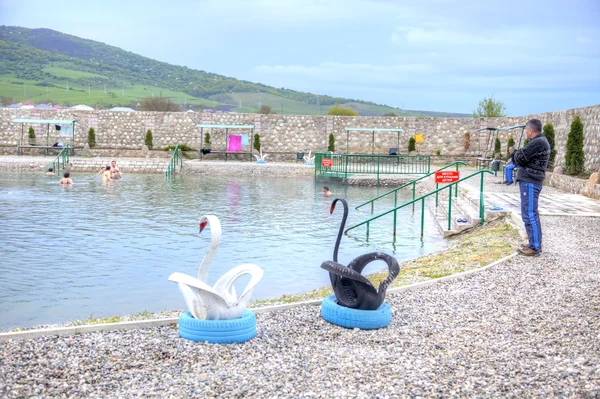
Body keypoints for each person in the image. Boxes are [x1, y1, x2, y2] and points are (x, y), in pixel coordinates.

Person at [509, 119, 550, 257]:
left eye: (526, 129)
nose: (525, 132)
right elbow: (521, 157)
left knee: (530, 214)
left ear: (531, 130)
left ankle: (535, 247)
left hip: (530, 182)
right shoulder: (539, 142)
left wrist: (514, 152)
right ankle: (534, 243)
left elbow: (520, 158)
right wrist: (517, 154)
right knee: (529, 213)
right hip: (530, 181)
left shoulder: (537, 142)